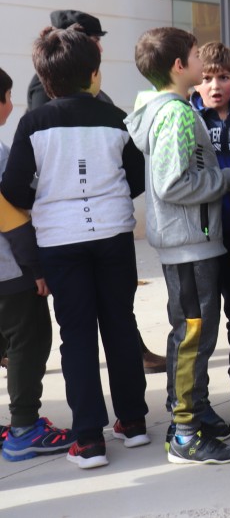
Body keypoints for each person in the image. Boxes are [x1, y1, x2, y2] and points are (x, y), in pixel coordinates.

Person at [1, 27, 148, 469]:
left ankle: (88, 439)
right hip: (113, 234)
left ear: (45, 80)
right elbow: (137, 177)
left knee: (77, 335)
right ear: (94, 74)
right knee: (120, 324)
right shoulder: (116, 118)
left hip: (61, 242)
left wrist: (48, 197)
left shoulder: (33, 122)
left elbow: (12, 189)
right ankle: (134, 422)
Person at [24, 11, 167, 376]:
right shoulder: (49, 99)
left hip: (94, 226)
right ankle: (123, 419)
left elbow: (129, 170)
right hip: (73, 228)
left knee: (104, 320)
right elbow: (52, 160)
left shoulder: (100, 104)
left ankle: (100, 425)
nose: (100, 46)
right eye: (94, 38)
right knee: (84, 325)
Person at [125, 28, 230, 466]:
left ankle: (188, 414)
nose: (201, 62)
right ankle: (186, 434)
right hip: (190, 243)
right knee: (194, 335)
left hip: (186, 241)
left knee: (189, 333)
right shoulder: (175, 113)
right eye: (196, 55)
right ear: (179, 66)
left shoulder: (165, 108)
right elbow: (173, 183)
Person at [0, 66, 77, 462]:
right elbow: (12, 224)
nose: (12, 105)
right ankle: (24, 428)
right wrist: (37, 270)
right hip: (10, 275)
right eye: (8, 96)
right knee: (28, 344)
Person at [190, 41, 230, 421]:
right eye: (206, 78)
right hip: (205, 235)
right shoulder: (188, 115)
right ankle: (193, 400)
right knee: (203, 317)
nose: (215, 86)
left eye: (223, 78)